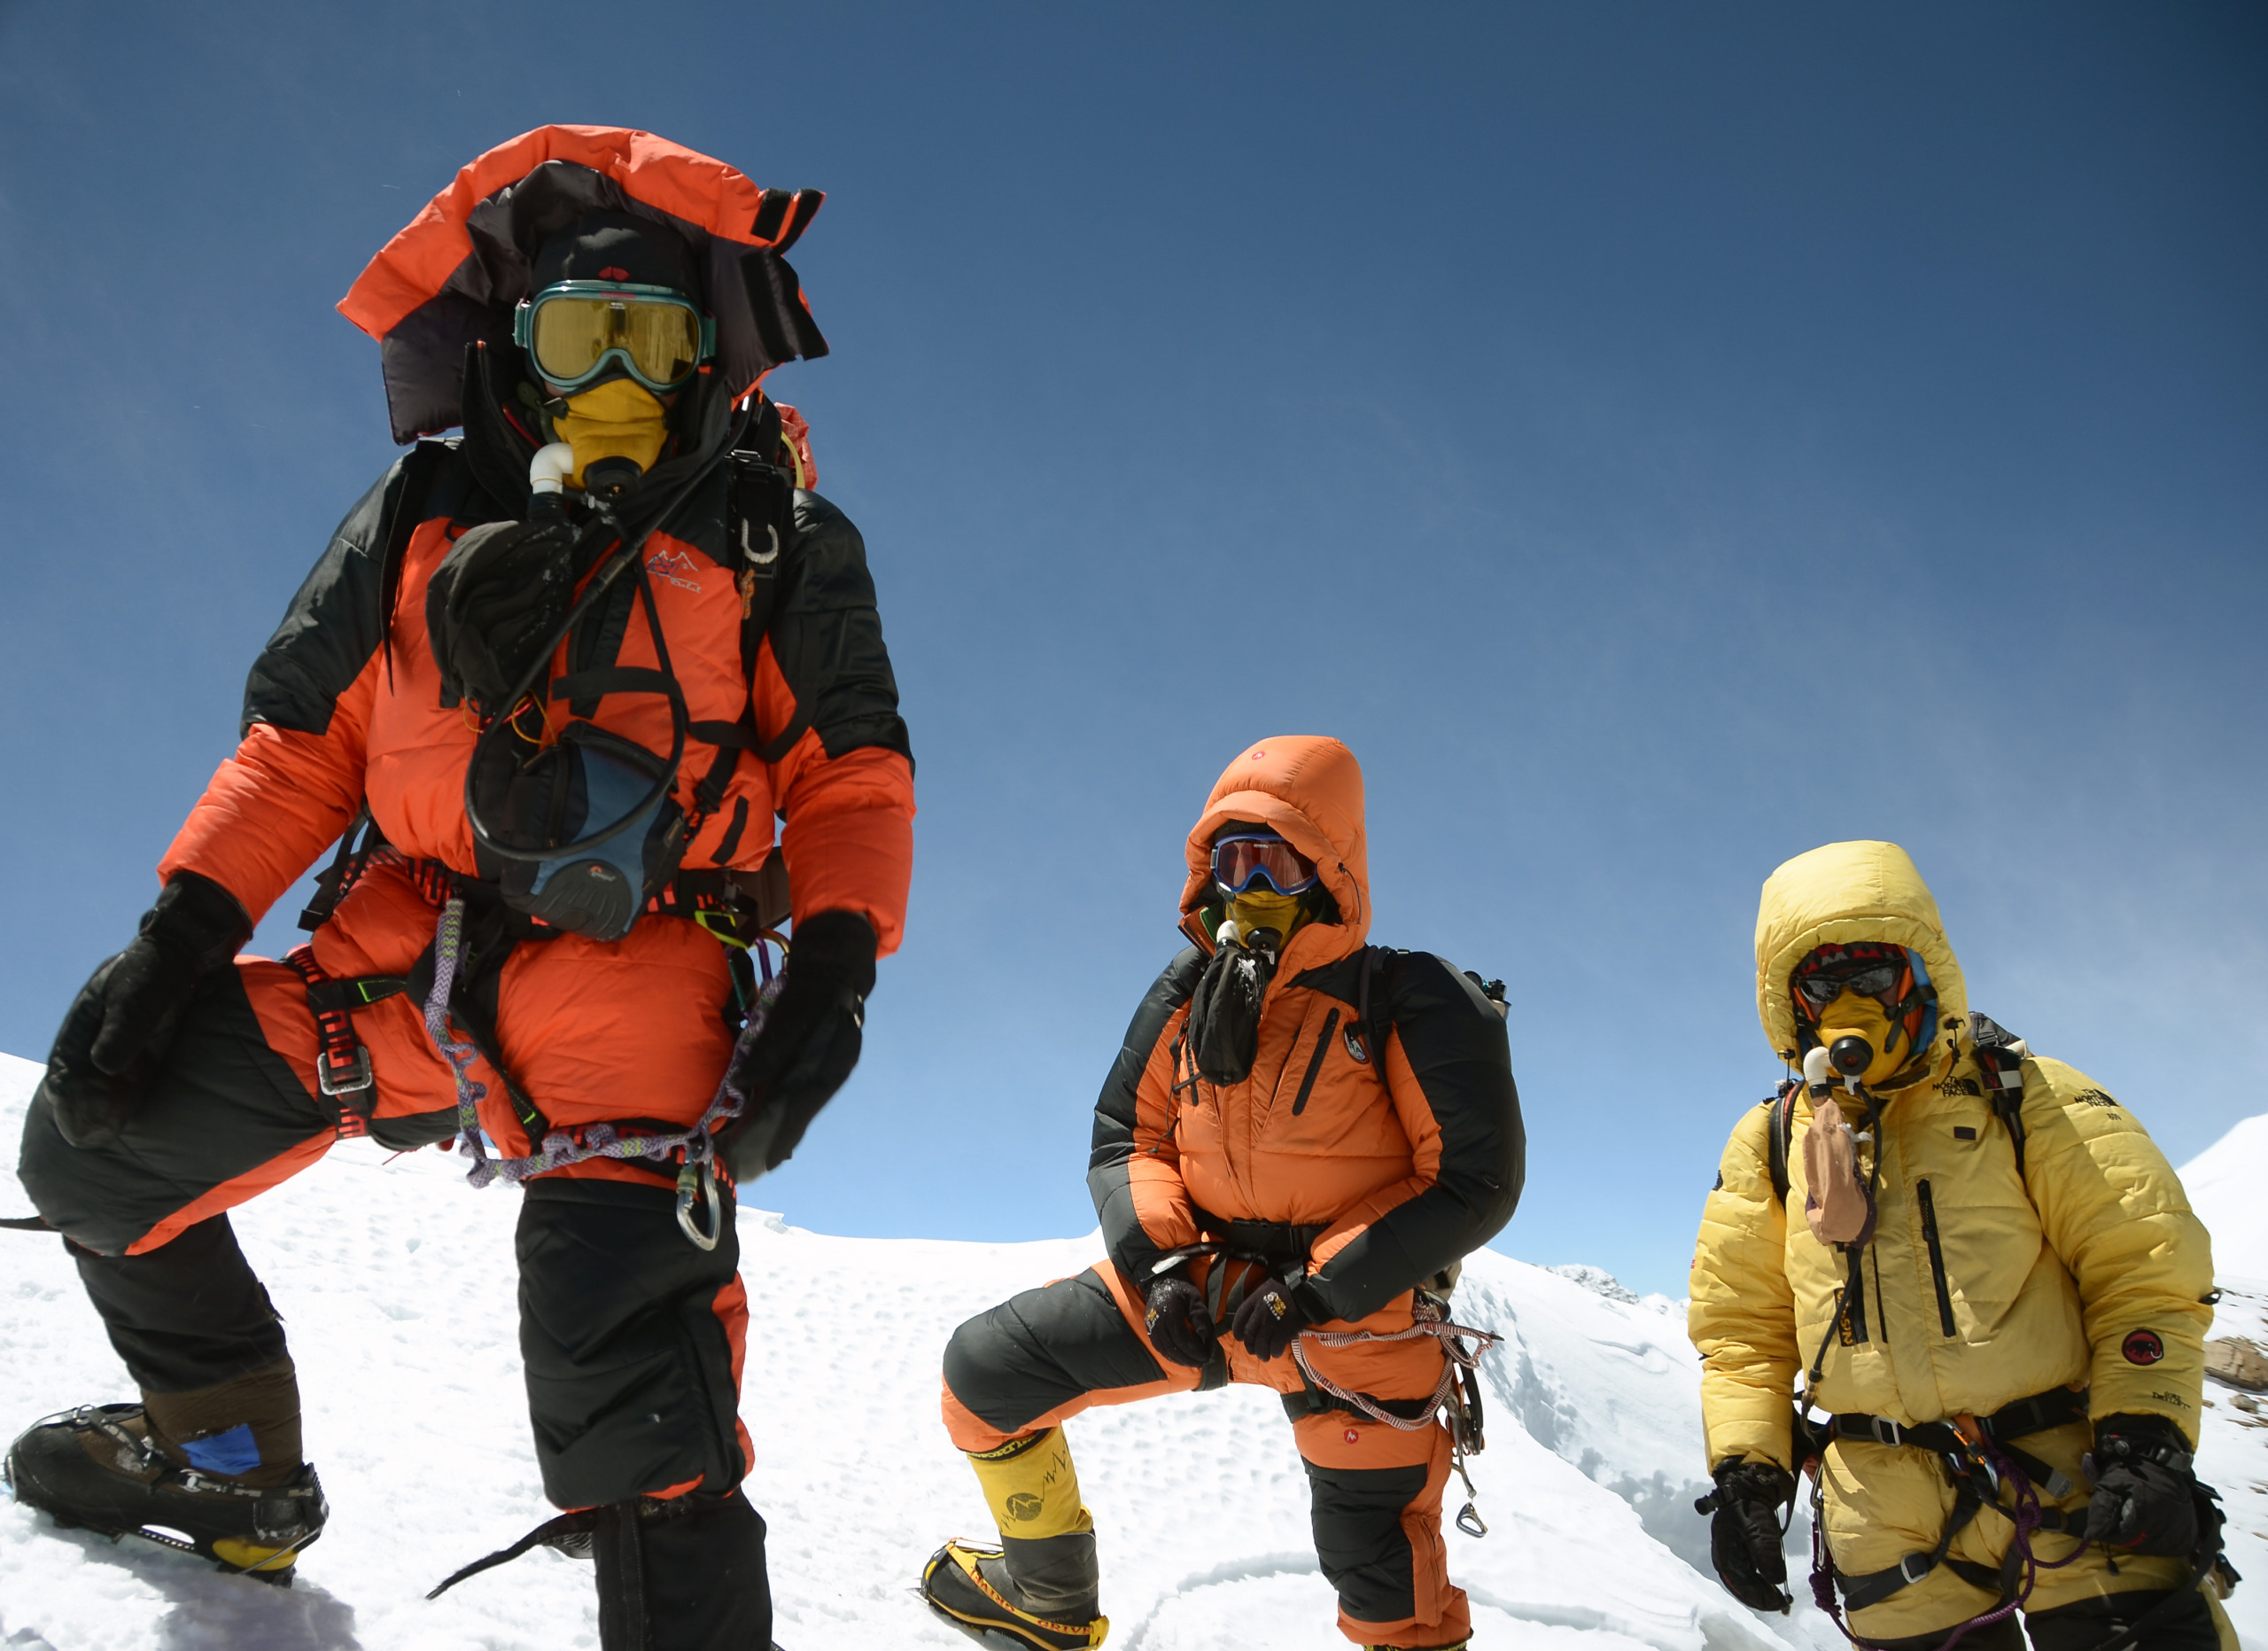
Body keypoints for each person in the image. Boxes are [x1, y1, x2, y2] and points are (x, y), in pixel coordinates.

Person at [2, 126, 913, 1650]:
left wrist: (835, 964)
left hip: (635, 966)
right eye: (578, 336)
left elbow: (849, 776)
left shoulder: (777, 533)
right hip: (403, 966)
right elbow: (300, 749)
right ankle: (233, 1475)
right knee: (99, 1137)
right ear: (515, 350)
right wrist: (185, 929)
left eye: (651, 336)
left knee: (620, 1345)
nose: (613, 378)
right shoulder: (415, 520)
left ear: (709, 358)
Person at [916, 736, 1523, 1651]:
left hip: (1354, 1324)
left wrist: (1313, 1290)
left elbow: (1471, 1179)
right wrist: (1162, 1265)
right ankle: (1046, 1603)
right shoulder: (1183, 993)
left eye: (1272, 857)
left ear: (1329, 869)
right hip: (1197, 1293)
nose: (1246, 884)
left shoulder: (1408, 995)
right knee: (986, 1375)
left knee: (1385, 1585)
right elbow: (1126, 1138)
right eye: (1229, 859)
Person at [1689, 840, 2235, 1651]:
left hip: (2075, 1483)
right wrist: (1747, 1474)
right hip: (1883, 1518)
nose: (1849, 1000)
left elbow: (2147, 1272)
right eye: (1821, 982)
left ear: (1920, 974)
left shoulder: (2028, 1095)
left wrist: (2147, 1438)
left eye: (1872, 975)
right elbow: (1742, 1335)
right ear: (1791, 1003)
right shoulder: (1771, 1140)